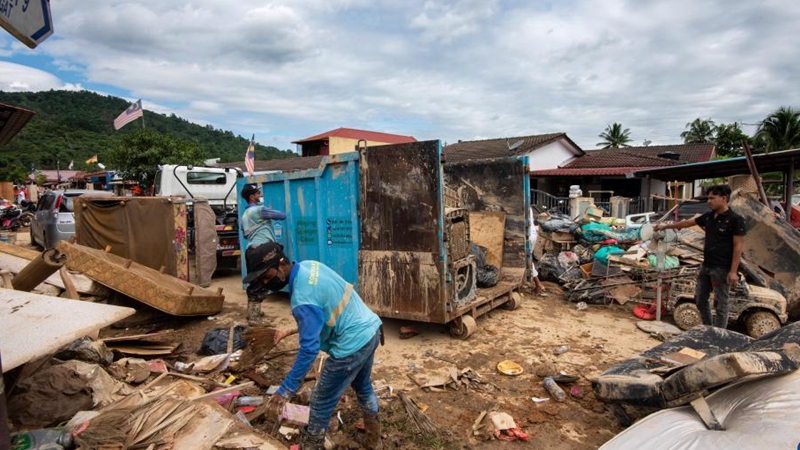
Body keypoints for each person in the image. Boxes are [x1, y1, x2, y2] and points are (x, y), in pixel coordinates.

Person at [243, 243, 384, 449]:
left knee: (320, 400)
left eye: (266, 276)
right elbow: (325, 308)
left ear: (281, 264)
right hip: (370, 329)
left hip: (352, 343)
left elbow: (309, 350)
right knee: (363, 387)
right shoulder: (309, 266)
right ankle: (374, 441)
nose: (266, 282)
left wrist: (286, 390)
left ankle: (312, 445)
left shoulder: (302, 298)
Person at [654, 185, 745, 328]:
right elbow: (686, 223)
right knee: (700, 298)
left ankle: (719, 334)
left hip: (722, 269)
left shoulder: (735, 220)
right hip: (706, 266)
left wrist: (733, 271)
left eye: (712, 198)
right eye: (708, 198)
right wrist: (664, 226)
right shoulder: (708, 216)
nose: (709, 201)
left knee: (721, 303)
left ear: (723, 198)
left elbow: (738, 247)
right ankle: (708, 328)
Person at [240, 184, 287, 324]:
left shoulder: (244, 216)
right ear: (251, 196)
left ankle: (253, 313)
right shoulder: (259, 210)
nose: (260, 195)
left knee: (255, 281)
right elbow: (282, 216)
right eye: (257, 193)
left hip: (251, 251)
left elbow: (244, 234)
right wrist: (268, 211)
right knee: (278, 270)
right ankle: (254, 318)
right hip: (263, 249)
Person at [529, 207, 548, 297]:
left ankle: (539, 285)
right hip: (531, 234)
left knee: (528, 260)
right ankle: (538, 285)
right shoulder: (528, 206)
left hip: (528, 235)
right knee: (528, 260)